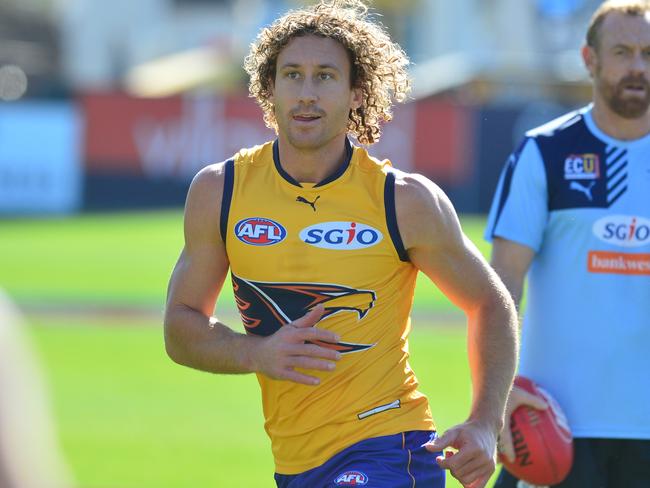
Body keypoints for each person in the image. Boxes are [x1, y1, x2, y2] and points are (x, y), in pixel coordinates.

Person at [164, 1, 518, 486]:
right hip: (295, 465)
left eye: (325, 77)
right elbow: (179, 327)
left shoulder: (403, 201)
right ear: (269, 89)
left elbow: (491, 304)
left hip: (390, 449)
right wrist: (258, 353)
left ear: (356, 92)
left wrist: (484, 422)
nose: (306, 94)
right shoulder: (220, 192)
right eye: (292, 75)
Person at [485, 1, 650, 487]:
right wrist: (499, 393)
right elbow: (501, 285)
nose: (637, 66)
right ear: (589, 59)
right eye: (622, 52)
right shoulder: (546, 152)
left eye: (647, 53)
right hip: (551, 427)